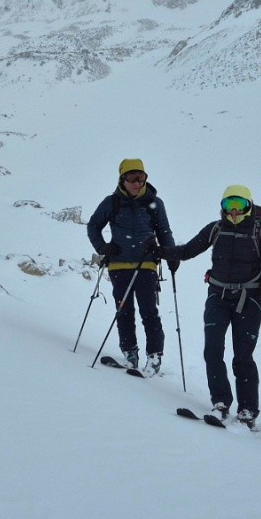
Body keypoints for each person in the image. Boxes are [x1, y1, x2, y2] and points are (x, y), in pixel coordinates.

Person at [165, 185, 261, 428]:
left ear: (249, 206)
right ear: (222, 207)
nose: (234, 210)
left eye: (239, 205)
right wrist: (160, 251)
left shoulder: (260, 233)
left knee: (243, 355)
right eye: (229, 205)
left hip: (249, 299)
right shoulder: (216, 229)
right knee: (212, 349)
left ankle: (248, 409)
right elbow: (188, 250)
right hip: (217, 295)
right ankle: (221, 402)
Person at [86, 159, 176, 375]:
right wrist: (102, 247)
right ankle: (130, 352)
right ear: (122, 179)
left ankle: (154, 357)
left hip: (146, 264)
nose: (137, 182)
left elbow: (164, 232)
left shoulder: (154, 203)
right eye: (132, 178)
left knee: (149, 312)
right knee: (124, 311)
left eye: (141, 177)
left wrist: (171, 255)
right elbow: (93, 225)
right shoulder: (112, 202)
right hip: (118, 265)